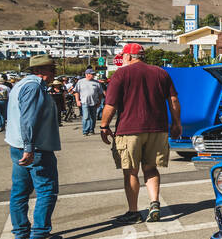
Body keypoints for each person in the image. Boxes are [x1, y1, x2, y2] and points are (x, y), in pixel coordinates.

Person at [99, 42, 182, 224]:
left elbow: (110, 105)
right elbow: (173, 100)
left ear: (128, 56)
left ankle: (133, 211)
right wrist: (177, 123)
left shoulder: (121, 74)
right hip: (157, 129)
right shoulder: (161, 73)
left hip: (129, 129)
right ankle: (154, 203)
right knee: (151, 168)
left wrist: (104, 125)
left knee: (130, 172)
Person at [5, 55, 62, 239]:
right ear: (42, 71)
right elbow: (29, 119)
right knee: (47, 189)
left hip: (18, 144)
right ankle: (39, 233)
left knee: (20, 190)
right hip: (34, 148)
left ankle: (21, 232)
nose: (55, 73)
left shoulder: (20, 85)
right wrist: (29, 147)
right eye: (52, 69)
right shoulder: (34, 86)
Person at [75, 68, 104, 135]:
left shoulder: (97, 83)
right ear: (87, 74)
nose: (93, 75)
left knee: (93, 117)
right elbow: (76, 92)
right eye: (92, 74)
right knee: (86, 117)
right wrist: (77, 100)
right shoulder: (80, 82)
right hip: (84, 102)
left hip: (94, 103)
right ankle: (85, 131)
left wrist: (99, 102)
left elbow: (100, 94)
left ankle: (91, 130)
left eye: (93, 74)